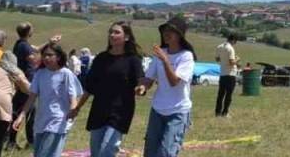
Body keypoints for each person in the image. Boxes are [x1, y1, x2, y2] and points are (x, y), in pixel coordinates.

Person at [71, 21, 145, 157]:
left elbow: (141, 80)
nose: (112, 35)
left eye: (117, 32)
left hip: (121, 111)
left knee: (107, 150)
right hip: (99, 109)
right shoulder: (100, 59)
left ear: (126, 37)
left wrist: (141, 88)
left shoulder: (133, 60)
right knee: (96, 151)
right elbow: (89, 88)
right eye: (110, 32)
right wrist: (77, 108)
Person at [13, 43, 82, 157]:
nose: (46, 58)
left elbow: (73, 96)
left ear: (58, 57)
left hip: (58, 120)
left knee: (45, 154)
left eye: (50, 55)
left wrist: (72, 111)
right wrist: (21, 116)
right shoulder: (40, 74)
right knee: (39, 153)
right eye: (44, 55)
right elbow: (32, 97)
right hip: (41, 121)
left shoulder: (66, 74)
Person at [139, 18, 195, 157]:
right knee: (150, 152)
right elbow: (149, 79)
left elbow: (174, 81)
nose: (166, 33)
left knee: (166, 153)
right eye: (165, 30)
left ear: (179, 35)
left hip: (178, 112)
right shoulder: (160, 54)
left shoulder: (186, 56)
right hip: (158, 110)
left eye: (171, 31)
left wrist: (165, 60)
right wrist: (142, 86)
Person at [9, 23, 37, 150]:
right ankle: (28, 141)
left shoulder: (20, 44)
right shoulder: (25, 46)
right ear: (28, 32)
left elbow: (35, 49)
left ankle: (12, 140)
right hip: (26, 83)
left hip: (21, 82)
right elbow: (34, 61)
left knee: (18, 111)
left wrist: (49, 43)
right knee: (29, 112)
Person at [213, 33, 239, 118]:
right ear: (233, 40)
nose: (235, 43)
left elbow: (217, 59)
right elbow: (231, 62)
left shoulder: (219, 46)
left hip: (222, 73)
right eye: (235, 42)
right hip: (230, 74)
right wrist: (237, 60)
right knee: (228, 95)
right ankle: (225, 113)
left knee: (220, 94)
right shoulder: (230, 48)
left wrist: (223, 61)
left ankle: (217, 113)